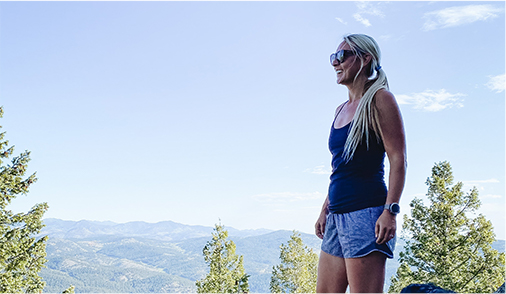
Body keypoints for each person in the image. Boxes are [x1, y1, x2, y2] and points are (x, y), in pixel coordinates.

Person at [314, 33, 407, 293]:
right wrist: (325, 208)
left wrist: (390, 210)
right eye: (333, 57)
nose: (335, 63)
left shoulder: (380, 99)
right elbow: (341, 168)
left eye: (342, 56)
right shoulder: (340, 109)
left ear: (365, 59)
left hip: (366, 216)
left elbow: (398, 158)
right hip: (337, 215)